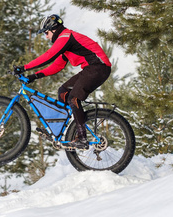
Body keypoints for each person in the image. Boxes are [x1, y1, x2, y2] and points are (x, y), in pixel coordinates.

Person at [14, 14, 112, 149]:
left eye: (46, 33)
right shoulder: (65, 43)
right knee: (63, 91)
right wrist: (33, 76)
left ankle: (82, 138)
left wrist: (24, 67)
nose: (46, 37)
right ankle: (60, 131)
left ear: (53, 29)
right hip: (92, 69)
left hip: (98, 67)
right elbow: (56, 66)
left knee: (73, 98)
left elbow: (48, 56)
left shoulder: (65, 37)